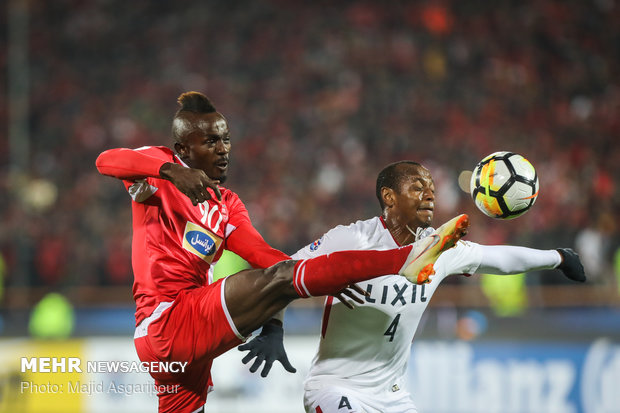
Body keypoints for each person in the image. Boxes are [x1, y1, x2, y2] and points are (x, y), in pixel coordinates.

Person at [95, 92, 470, 413]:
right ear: (183, 149)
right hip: (166, 321)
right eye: (210, 142)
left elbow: (263, 254)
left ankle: (396, 261)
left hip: (188, 346)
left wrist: (291, 304)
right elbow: (107, 160)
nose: (223, 150)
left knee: (281, 273)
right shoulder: (158, 169)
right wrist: (168, 172)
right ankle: (405, 259)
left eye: (225, 140)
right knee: (280, 278)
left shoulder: (226, 204)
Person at [282, 161, 584, 413]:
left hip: (393, 397)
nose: (429, 196)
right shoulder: (351, 238)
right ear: (389, 196)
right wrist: (272, 326)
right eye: (417, 188)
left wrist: (557, 258)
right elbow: (282, 273)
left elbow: (499, 258)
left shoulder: (438, 248)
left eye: (432, 190)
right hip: (335, 388)